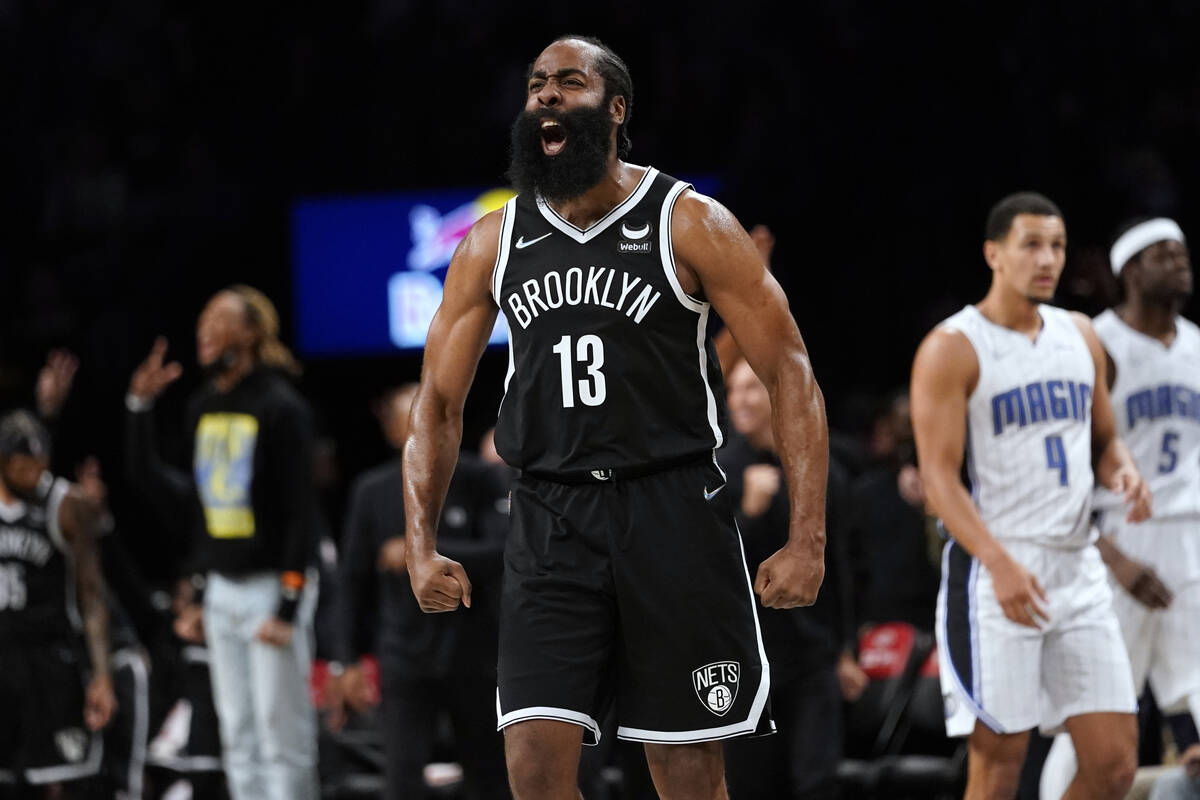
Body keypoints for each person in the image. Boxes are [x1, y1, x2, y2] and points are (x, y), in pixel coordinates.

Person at [402, 34, 828, 798]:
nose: (546, 97)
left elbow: (790, 372)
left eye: (569, 82)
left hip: (673, 511)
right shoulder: (493, 242)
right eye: (536, 85)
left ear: (616, 108)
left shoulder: (689, 220)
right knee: (532, 764)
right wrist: (420, 542)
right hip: (549, 514)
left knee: (688, 772)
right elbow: (436, 404)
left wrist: (807, 537)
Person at [910, 191, 1152, 800]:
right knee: (997, 772)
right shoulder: (953, 346)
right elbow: (939, 481)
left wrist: (1122, 470)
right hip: (995, 570)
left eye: (1059, 246)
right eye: (1033, 245)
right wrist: (999, 563)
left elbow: (1105, 439)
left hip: (1076, 567)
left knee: (1114, 766)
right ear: (993, 253)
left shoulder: (1081, 334)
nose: (1049, 259)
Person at [124, 285, 321, 800]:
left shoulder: (281, 407)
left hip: (271, 587)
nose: (205, 330)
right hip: (223, 590)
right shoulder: (202, 405)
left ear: (252, 332)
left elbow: (304, 513)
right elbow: (194, 508)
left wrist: (288, 601)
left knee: (282, 736)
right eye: (203, 319)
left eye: (219, 319)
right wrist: (139, 408)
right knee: (237, 734)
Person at [1041, 217, 1200, 798]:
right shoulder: (1096, 342)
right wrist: (1113, 559)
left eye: (1182, 251)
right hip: (1118, 537)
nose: (1179, 261)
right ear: (1129, 270)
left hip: (1191, 539)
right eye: (1164, 253)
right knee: (1094, 716)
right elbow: (1067, 466)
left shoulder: (1198, 346)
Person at [329, 384, 510, 799]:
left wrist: (423, 551)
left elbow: (507, 551)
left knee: (489, 778)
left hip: (475, 655)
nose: (420, 423)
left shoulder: (481, 477)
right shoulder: (371, 491)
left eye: (429, 411)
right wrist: (345, 662)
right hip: (404, 658)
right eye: (407, 416)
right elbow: (351, 582)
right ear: (392, 431)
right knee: (403, 779)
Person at [719, 359, 856, 799]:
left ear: (777, 395)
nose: (740, 399)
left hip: (812, 651)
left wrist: (845, 651)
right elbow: (707, 566)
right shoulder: (718, 470)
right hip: (746, 653)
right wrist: (749, 515)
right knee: (753, 781)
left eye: (751, 389)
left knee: (817, 778)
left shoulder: (819, 471)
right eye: (734, 390)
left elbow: (841, 567)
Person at [0, 410, 116, 796]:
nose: (34, 475)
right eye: (23, 468)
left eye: (40, 465)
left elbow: (92, 594)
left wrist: (101, 674)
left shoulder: (66, 504)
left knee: (68, 778)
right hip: (4, 658)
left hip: (51, 660)